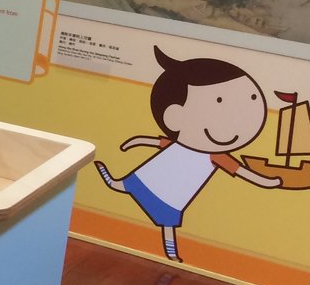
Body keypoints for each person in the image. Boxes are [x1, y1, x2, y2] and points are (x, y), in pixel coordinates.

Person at [94, 46, 279, 261]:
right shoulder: (183, 145)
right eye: (219, 102)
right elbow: (156, 142)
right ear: (174, 116)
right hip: (152, 177)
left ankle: (171, 251)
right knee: (132, 185)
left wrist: (268, 182)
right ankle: (116, 183)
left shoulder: (216, 156)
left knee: (168, 221)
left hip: (175, 194)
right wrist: (135, 142)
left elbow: (243, 172)